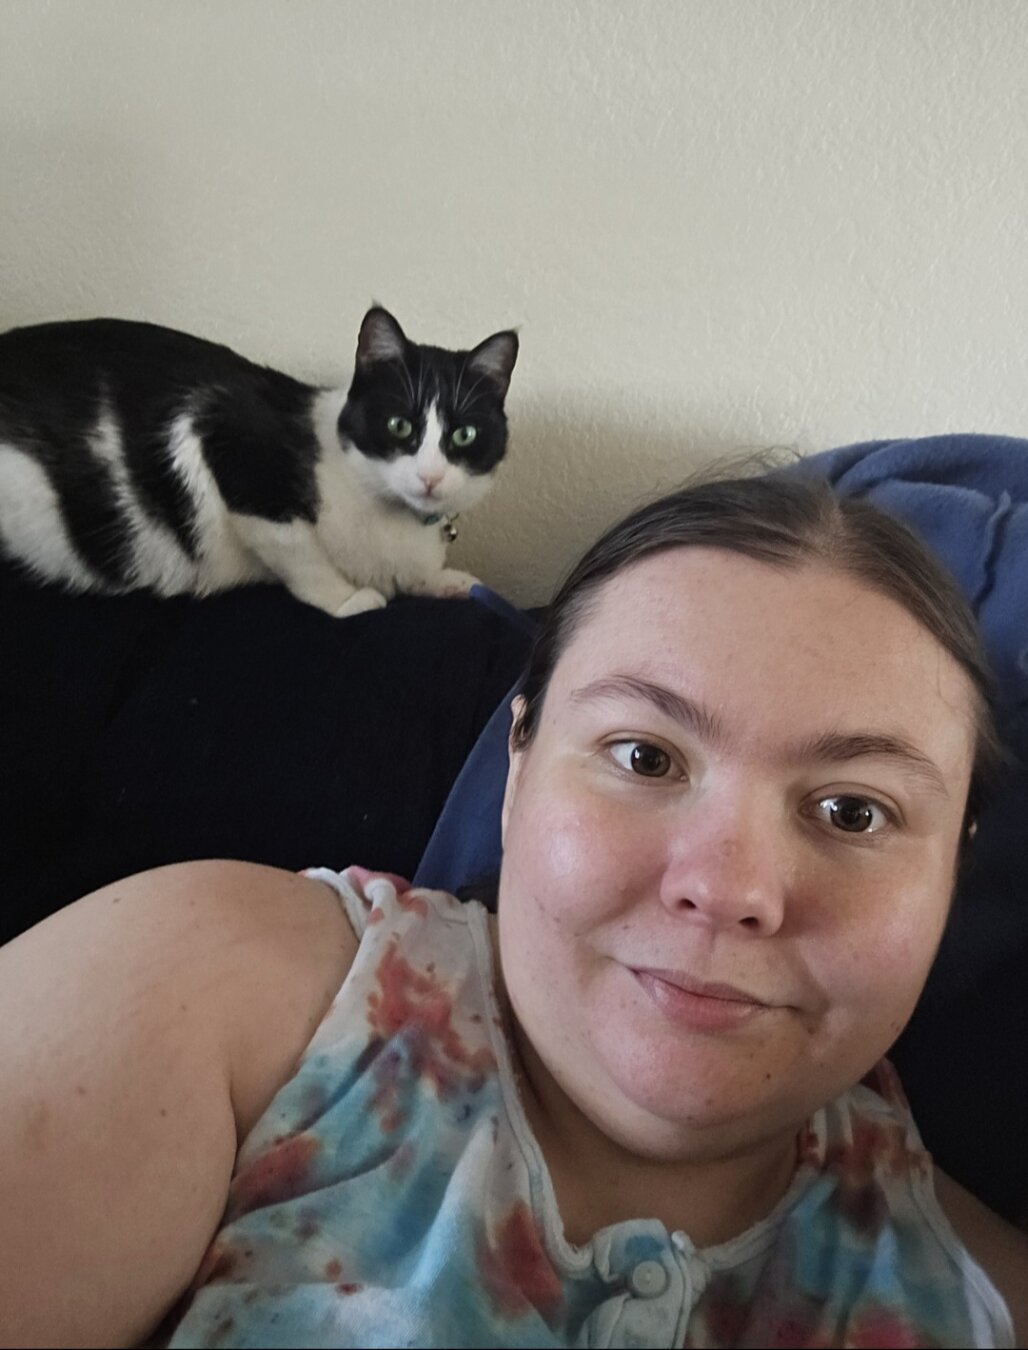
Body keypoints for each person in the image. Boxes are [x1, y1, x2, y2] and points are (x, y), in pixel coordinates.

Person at [2, 472, 1026, 1349]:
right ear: (518, 765)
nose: (724, 888)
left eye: (852, 811)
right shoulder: (226, 988)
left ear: (950, 868)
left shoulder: (981, 1305)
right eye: (644, 756)